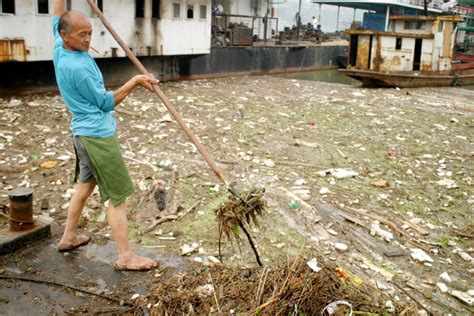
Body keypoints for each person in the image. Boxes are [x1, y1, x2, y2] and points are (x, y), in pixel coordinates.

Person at [52, 0, 159, 271]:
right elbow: (106, 103)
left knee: (86, 186)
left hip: (81, 133)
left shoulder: (58, 46)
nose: (88, 39)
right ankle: (125, 257)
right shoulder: (78, 67)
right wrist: (135, 81)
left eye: (89, 33)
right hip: (97, 137)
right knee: (118, 196)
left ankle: (68, 237)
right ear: (66, 35)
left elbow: (57, 14)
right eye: (82, 35)